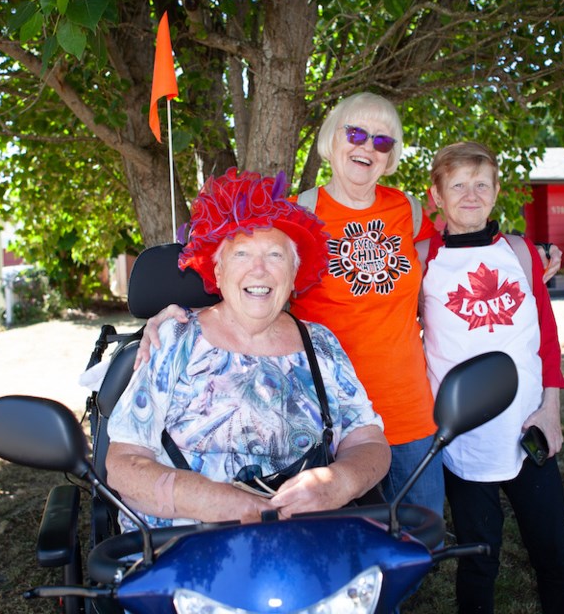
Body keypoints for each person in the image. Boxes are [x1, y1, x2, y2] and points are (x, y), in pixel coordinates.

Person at [136, 93, 562, 519]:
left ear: (391, 155)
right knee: (335, 541)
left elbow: (458, 251)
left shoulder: (408, 210)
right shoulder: (299, 211)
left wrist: (527, 252)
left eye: (381, 141)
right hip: (325, 413)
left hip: (409, 407)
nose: (367, 146)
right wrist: (171, 312)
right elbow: (241, 276)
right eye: (355, 133)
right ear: (331, 140)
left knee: (421, 533)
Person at [106, 168, 391, 528]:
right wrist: (213, 501)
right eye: (241, 254)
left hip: (303, 540)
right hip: (182, 550)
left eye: (275, 255)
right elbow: (122, 462)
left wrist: (339, 483)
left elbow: (368, 441)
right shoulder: (174, 340)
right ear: (219, 271)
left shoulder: (320, 344)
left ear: (293, 274)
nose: (259, 270)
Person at [421, 142, 564, 613]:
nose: (471, 195)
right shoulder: (422, 258)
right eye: (459, 185)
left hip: (528, 430)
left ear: (496, 191)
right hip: (463, 438)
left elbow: (546, 338)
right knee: (478, 558)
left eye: (481, 184)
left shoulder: (522, 252)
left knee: (552, 553)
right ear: (437, 195)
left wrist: (550, 409)